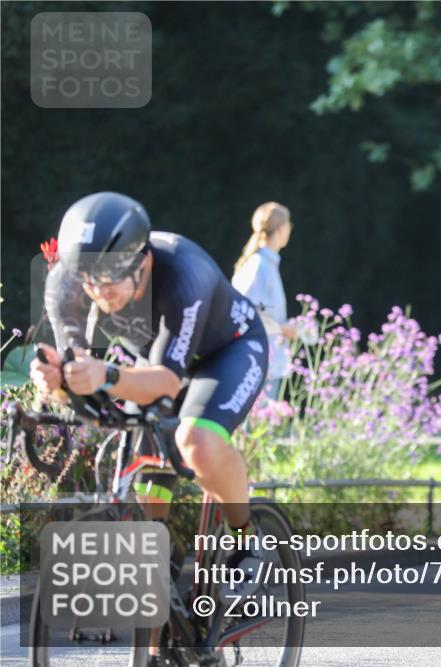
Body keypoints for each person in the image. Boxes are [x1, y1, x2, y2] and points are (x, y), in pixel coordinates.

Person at [30, 192, 269, 597]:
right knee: (144, 473)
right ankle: (161, 635)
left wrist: (105, 374)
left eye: (111, 278)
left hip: (228, 352)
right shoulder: (68, 282)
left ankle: (246, 539)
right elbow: (75, 361)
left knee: (196, 441)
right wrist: (55, 378)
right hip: (156, 362)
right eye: (89, 279)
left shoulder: (184, 273)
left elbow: (166, 381)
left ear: (144, 261)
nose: (100, 291)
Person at [231, 201, 297, 399]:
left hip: (264, 363)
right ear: (280, 228)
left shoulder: (264, 264)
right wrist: (284, 329)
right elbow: (246, 314)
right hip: (257, 364)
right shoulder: (259, 267)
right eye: (288, 223)